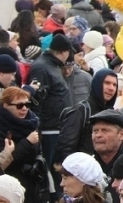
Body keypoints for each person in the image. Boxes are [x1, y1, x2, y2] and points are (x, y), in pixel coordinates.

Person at [27, 31, 72, 197]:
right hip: (48, 128)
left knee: (57, 167)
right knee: (51, 169)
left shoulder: (51, 65)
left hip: (56, 126)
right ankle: (53, 197)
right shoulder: (42, 67)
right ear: (62, 51)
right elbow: (36, 100)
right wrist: (37, 129)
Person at [55, 68, 119, 165]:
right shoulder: (81, 110)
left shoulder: (111, 113)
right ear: (97, 84)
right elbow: (65, 148)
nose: (111, 88)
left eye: (114, 85)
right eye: (107, 83)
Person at [0, 87, 40, 203]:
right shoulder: (2, 127)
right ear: (6, 106)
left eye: (27, 104)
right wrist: (27, 143)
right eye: (19, 105)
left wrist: (38, 162)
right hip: (9, 187)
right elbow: (4, 162)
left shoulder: (32, 123)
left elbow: (39, 150)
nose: (24, 108)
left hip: (32, 183)